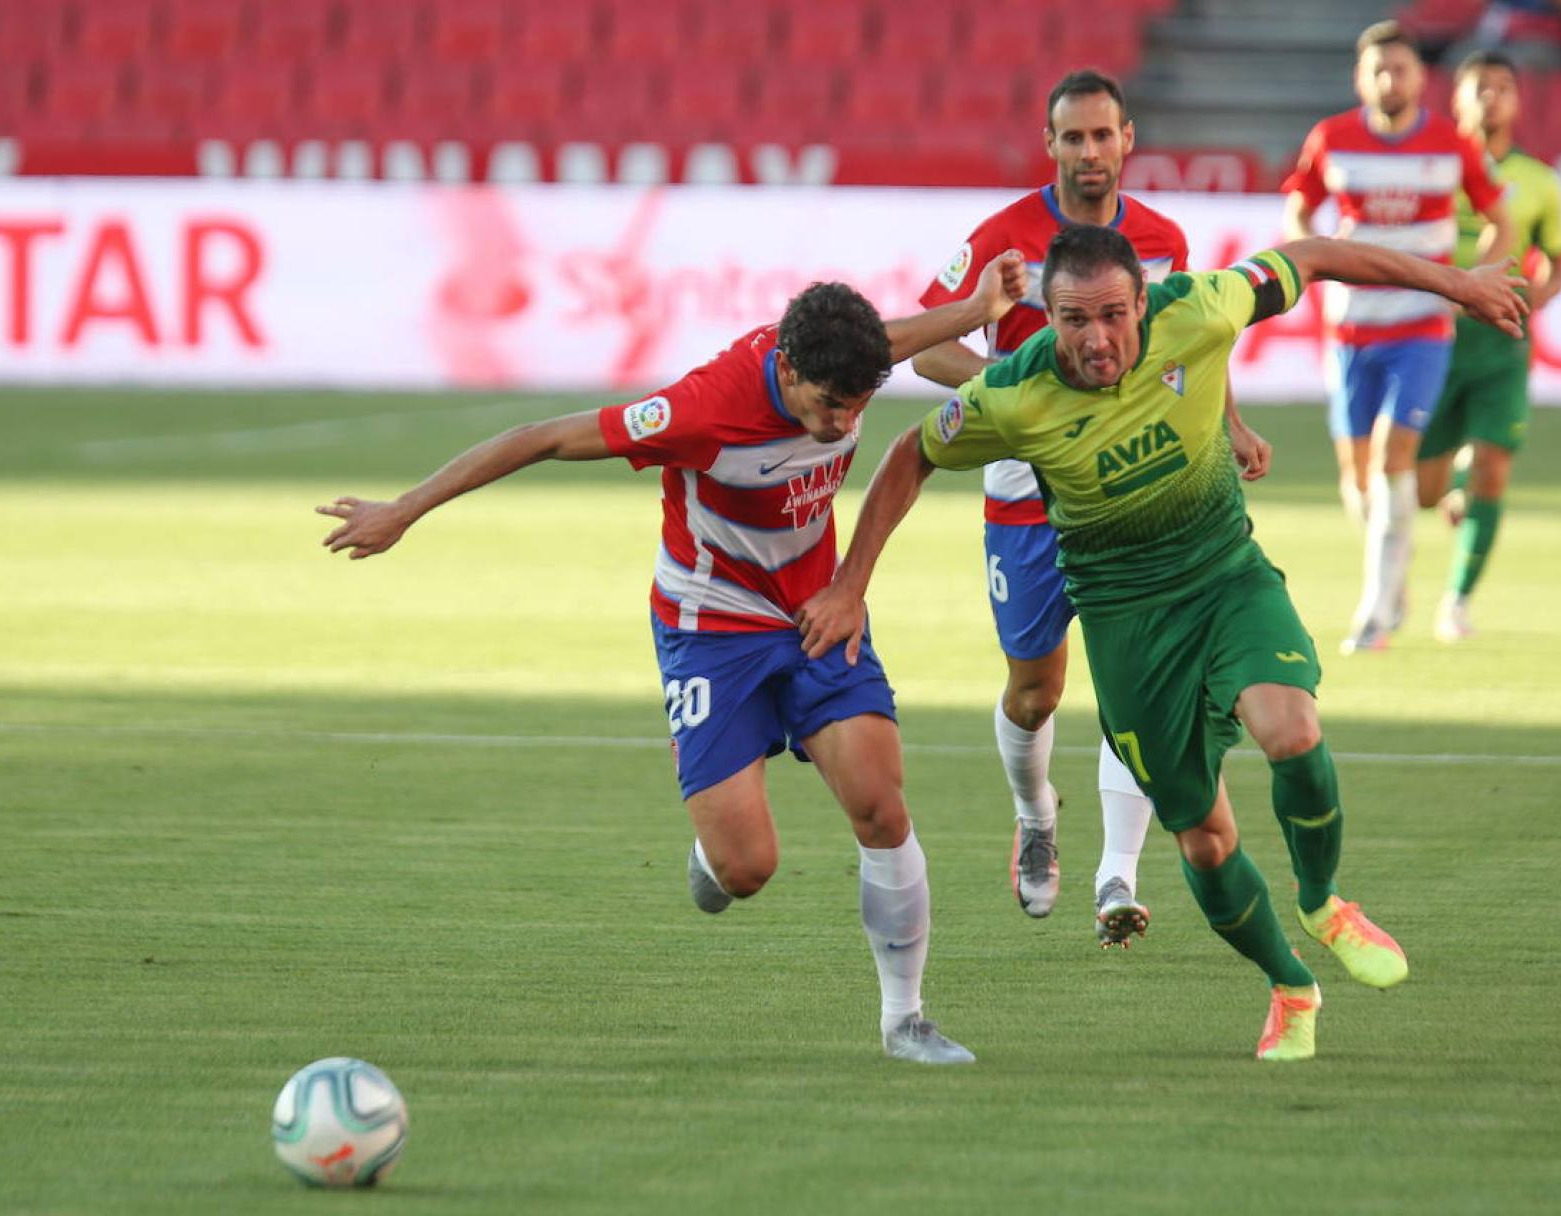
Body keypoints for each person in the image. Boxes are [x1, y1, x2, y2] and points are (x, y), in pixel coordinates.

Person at [797, 225, 1528, 1060]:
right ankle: (1291, 987)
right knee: (1203, 838)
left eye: (1114, 314)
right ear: (1046, 315)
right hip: (1127, 628)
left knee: (1291, 729)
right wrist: (851, 583)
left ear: (1145, 302)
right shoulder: (1014, 392)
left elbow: (1318, 253)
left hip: (1224, 579)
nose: (1096, 338)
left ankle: (1325, 903)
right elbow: (909, 454)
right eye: (1073, 319)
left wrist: (1459, 285)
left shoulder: (1202, 308)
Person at [316, 251, 1030, 1065]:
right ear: (788, 370)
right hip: (711, 629)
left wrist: (976, 308)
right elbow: (545, 437)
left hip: (815, 614)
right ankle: (712, 843)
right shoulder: (702, 410)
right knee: (748, 867)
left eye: (858, 406)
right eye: (829, 407)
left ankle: (905, 1022)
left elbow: (895, 340)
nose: (841, 425)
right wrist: (405, 509)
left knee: (880, 803)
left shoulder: (850, 361)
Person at [913, 68, 1206, 947]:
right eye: (1071, 138)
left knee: (1133, 679)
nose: (1088, 152)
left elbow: (1181, 354)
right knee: (1035, 693)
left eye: (1101, 135)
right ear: (1050, 146)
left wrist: (1228, 425)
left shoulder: (1163, 240)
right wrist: (1020, 393)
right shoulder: (1003, 237)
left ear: (1128, 140)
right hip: (1026, 505)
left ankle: (1117, 871)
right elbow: (931, 351)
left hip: (1129, 496)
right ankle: (1035, 813)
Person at [1282, 19, 1514, 655]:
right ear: (1362, 78)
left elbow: (1500, 219)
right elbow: (1299, 203)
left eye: (1402, 70)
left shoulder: (1450, 144)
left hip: (1422, 328)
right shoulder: (1331, 138)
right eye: (1379, 70)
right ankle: (1395, 569)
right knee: (1358, 480)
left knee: (1393, 458)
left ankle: (1375, 612)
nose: (1391, 80)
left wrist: (1469, 283)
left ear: (1420, 78)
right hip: (1352, 327)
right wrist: (1310, 252)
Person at [1419, 52, 1561, 643]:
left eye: (1504, 87)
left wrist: (1542, 294)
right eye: (1480, 87)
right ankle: (1453, 494)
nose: (1492, 97)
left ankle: (1456, 601)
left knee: (1493, 465)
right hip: (1430, 336)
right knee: (1426, 491)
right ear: (1457, 98)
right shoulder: (1431, 166)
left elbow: (1558, 261)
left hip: (1501, 338)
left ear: (1518, 102)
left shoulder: (1537, 180)